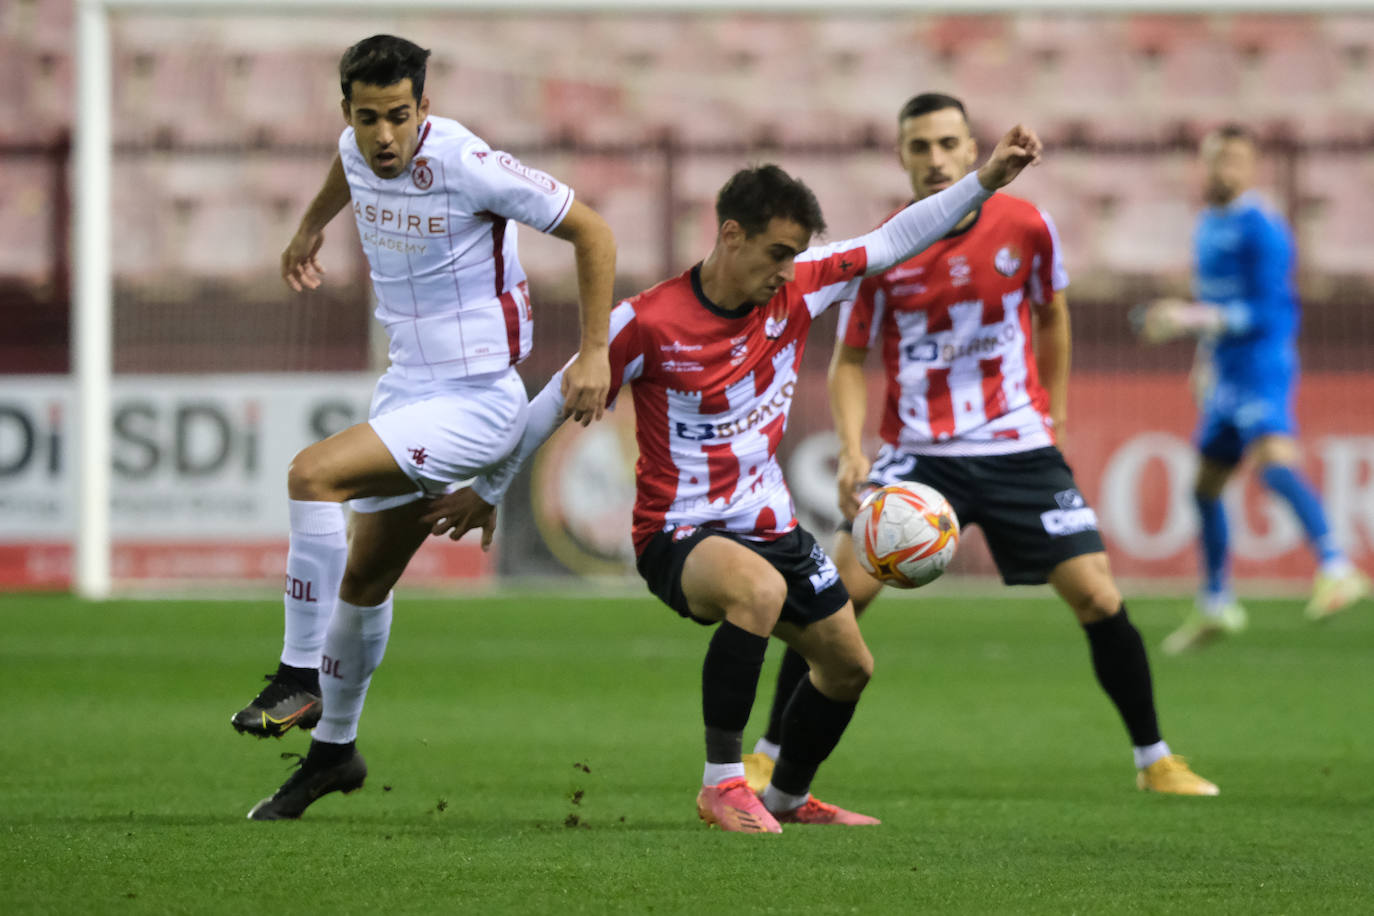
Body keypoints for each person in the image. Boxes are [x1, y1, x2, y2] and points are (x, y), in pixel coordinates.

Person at [425, 125, 1044, 832]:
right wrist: (490, 487)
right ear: (731, 236)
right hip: (678, 531)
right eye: (777, 253)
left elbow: (897, 238)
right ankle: (722, 783)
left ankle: (785, 796)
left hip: (769, 524)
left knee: (848, 668)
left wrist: (988, 178)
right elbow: (546, 408)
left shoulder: (803, 287)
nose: (786, 270)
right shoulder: (647, 322)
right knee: (758, 589)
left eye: (795, 256)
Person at [744, 93, 1219, 797]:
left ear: (971, 150)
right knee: (838, 598)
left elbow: (1052, 316)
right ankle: (766, 753)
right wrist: (851, 448)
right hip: (918, 454)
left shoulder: (1027, 226)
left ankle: (1156, 759)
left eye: (947, 144)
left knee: (1097, 594)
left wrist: (1053, 413)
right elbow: (849, 358)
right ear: (902, 157)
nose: (935, 159)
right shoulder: (885, 245)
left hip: (1018, 447)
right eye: (919, 147)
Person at [235, 35, 617, 820]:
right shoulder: (352, 148)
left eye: (399, 117)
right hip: (407, 389)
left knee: (312, 475)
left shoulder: (468, 163)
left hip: (477, 399)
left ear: (425, 110)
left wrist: (594, 352)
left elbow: (595, 231)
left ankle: (298, 673)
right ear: (348, 111)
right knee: (365, 579)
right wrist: (309, 229)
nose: (383, 136)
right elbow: (344, 168)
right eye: (368, 117)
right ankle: (334, 755)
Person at [1136, 123, 1369, 653]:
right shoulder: (1206, 225)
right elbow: (1213, 298)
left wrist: (1187, 319)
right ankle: (1217, 603)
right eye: (1216, 159)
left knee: (1272, 461)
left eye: (1235, 160)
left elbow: (1265, 312)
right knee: (1205, 486)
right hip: (1225, 367)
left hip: (1263, 362)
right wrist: (1202, 359)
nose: (1223, 169)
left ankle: (1337, 566)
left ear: (1251, 167)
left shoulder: (1264, 228)